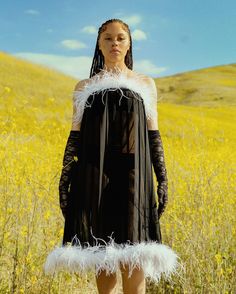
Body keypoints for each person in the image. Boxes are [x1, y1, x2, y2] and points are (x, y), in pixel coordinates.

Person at [44, 19, 179, 294]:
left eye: (120, 38)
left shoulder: (145, 84)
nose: (114, 43)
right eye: (108, 38)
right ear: (99, 44)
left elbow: (154, 135)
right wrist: (65, 179)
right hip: (94, 175)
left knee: (134, 257)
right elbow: (75, 138)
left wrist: (162, 178)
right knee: (102, 259)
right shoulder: (84, 87)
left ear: (129, 43)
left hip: (134, 177)